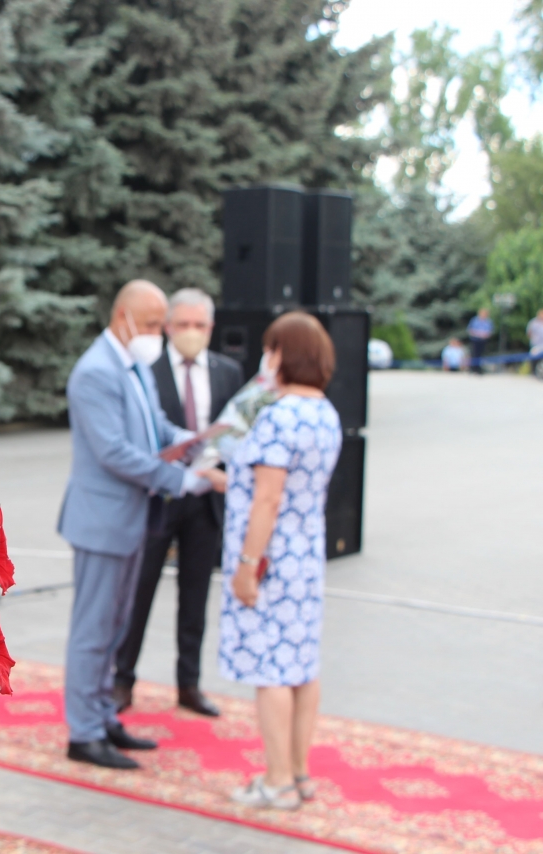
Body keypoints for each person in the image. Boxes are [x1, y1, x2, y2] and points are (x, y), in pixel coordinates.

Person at [58, 280, 226, 771]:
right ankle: (83, 733)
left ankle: (102, 715)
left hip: (130, 518)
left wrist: (195, 440)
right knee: (93, 630)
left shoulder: (133, 365)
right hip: (102, 520)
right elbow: (114, 452)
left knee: (115, 628)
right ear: (124, 317)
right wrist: (181, 480)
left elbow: (155, 428)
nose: (159, 333)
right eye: (152, 324)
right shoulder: (95, 371)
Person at [218, 311, 342, 811]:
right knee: (302, 667)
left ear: (284, 355)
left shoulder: (279, 415)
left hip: (272, 560)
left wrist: (248, 564)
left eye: (271, 349)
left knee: (271, 671)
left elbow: (267, 499)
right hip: (305, 555)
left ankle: (276, 781)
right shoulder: (325, 412)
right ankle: (299, 771)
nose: (265, 359)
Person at [113, 288, 243, 718]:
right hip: (159, 498)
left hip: (205, 501)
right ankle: (122, 681)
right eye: (183, 324)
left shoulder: (227, 372)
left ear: (211, 328)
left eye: (199, 325)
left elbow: (235, 433)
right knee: (139, 592)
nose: (191, 332)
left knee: (195, 595)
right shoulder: (145, 371)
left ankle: (189, 683)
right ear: (168, 327)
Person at [466, 308, 493, 375]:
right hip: (475, 340)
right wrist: (477, 333)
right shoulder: (474, 320)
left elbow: (490, 331)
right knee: (474, 354)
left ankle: (478, 368)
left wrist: (484, 334)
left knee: (481, 354)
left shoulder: (488, 321)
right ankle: (472, 368)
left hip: (483, 340)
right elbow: (470, 329)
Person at [527, 309, 543, 375]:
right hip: (535, 344)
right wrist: (533, 339)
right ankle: (533, 372)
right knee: (534, 358)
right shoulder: (533, 322)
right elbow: (529, 332)